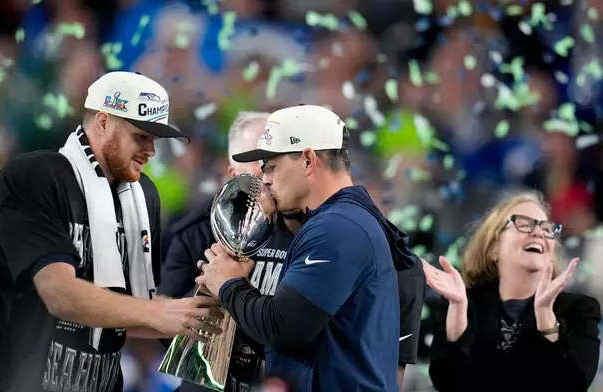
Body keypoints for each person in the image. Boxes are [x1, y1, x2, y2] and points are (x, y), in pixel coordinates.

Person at [0, 71, 223, 392]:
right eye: (141, 135)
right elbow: (58, 294)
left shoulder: (144, 196)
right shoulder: (34, 177)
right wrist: (158, 311)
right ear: (103, 122)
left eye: (155, 138)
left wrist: (195, 317)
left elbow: (128, 311)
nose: (151, 150)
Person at [195, 104, 413, 392]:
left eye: (271, 165)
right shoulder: (341, 220)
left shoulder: (338, 227)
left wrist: (229, 283)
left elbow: (283, 327)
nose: (266, 179)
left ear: (308, 160)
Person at [159, 111, 298, 392]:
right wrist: (210, 293)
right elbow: (164, 327)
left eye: (273, 159)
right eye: (257, 161)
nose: (267, 170)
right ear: (232, 172)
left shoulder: (305, 230)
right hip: (209, 380)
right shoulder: (197, 232)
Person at [423, 191, 601, 392]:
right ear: (493, 249)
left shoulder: (579, 309)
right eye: (524, 224)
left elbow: (572, 386)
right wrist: (458, 310)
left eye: (546, 228)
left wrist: (545, 319)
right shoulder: (460, 304)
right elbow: (448, 383)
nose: (538, 233)